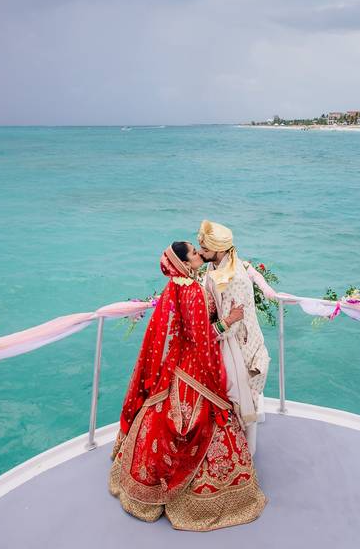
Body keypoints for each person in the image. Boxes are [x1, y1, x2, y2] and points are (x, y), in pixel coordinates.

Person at [108, 241, 267, 530]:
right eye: (194, 253)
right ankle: (199, 496)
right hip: (196, 365)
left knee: (161, 413)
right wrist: (228, 320)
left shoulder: (176, 287)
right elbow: (201, 336)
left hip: (178, 364)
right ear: (185, 263)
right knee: (208, 417)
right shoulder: (192, 292)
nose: (198, 255)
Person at [197, 220, 270, 455]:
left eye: (205, 249)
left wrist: (202, 334)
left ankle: (243, 453)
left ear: (220, 249)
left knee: (236, 397)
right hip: (225, 336)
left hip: (236, 344)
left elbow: (232, 325)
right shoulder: (216, 265)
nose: (200, 253)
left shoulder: (234, 278)